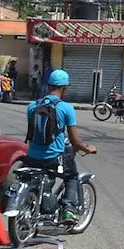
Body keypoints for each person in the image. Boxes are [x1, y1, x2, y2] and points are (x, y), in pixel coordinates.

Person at [24, 69, 96, 225]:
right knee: (71, 177)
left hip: (31, 157)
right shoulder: (66, 108)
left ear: (48, 85)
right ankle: (68, 210)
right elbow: (75, 141)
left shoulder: (32, 106)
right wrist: (87, 148)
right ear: (64, 88)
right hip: (54, 158)